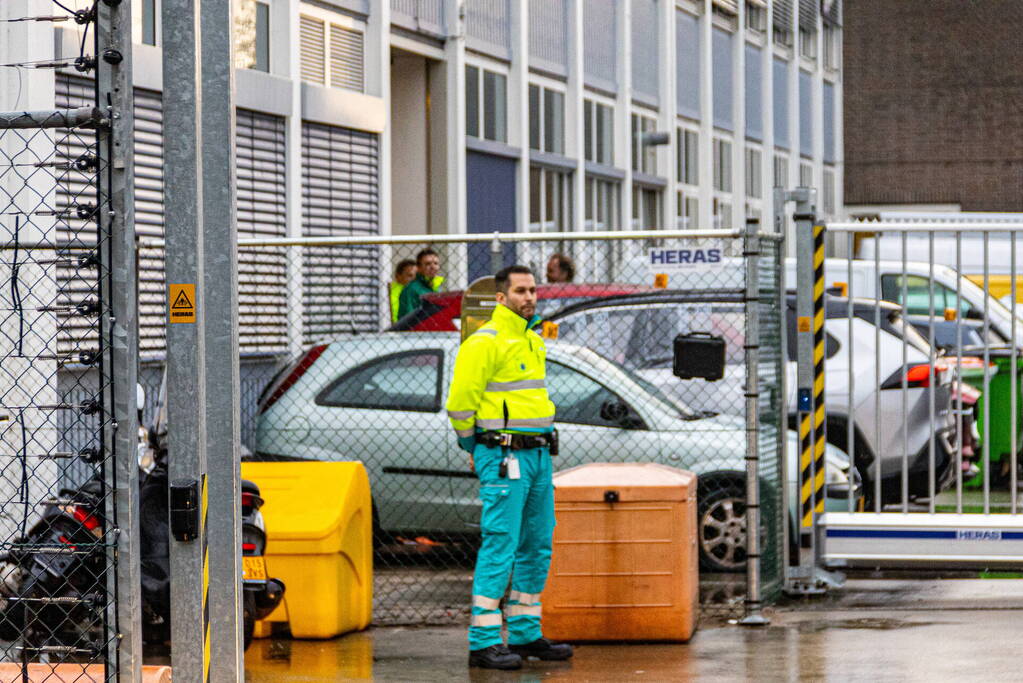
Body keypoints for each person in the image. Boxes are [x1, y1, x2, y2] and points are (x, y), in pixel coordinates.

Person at [446, 265, 573, 671]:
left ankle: (524, 631)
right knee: (501, 544)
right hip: (503, 456)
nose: (530, 297)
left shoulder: (530, 339)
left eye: (533, 290)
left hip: (536, 456)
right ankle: (483, 641)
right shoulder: (485, 342)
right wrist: (474, 446)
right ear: (501, 298)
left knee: (537, 543)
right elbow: (461, 405)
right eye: (521, 291)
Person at [397, 248, 444, 319]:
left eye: (436, 263)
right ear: (419, 268)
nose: (433, 267)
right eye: (428, 264)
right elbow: (407, 319)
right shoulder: (411, 289)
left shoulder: (437, 288)